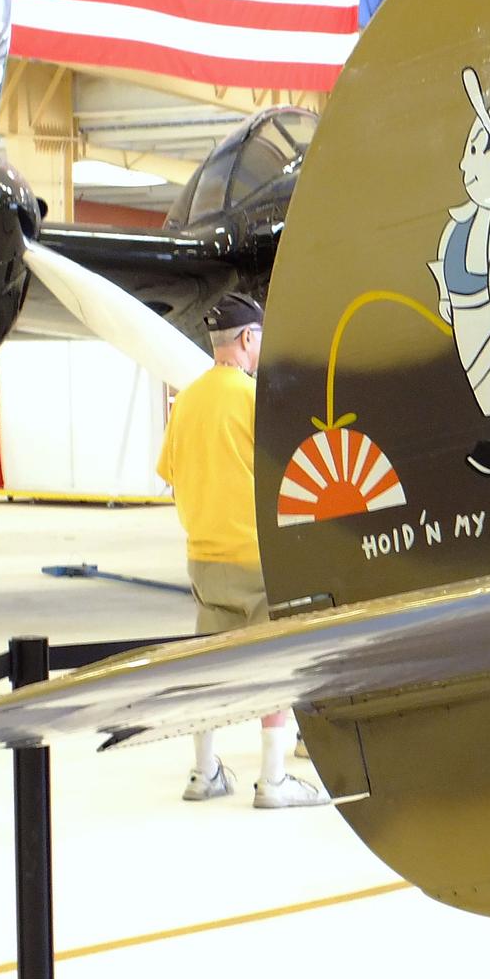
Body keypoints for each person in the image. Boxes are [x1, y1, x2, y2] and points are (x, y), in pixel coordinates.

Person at [156, 291, 327, 809]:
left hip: (203, 560)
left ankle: (204, 772)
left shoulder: (185, 400)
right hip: (256, 557)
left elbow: (169, 474)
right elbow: (292, 473)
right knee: (277, 662)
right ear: (248, 339)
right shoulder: (255, 399)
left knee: (210, 666)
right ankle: (273, 781)